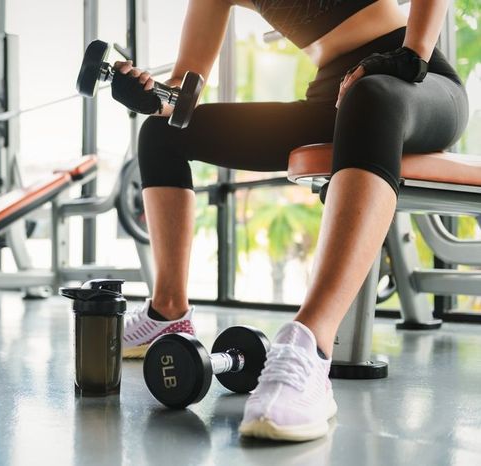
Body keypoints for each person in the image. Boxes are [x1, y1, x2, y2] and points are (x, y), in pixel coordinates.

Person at [115, 0, 468, 441]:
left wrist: (412, 52)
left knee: (372, 93)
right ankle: (168, 311)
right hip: (331, 98)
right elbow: (180, 99)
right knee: (161, 135)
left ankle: (310, 348)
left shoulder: (409, 68)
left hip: (416, 78)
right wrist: (151, 97)